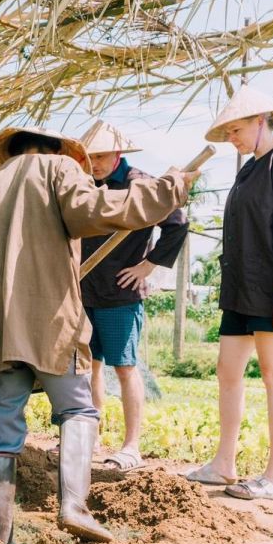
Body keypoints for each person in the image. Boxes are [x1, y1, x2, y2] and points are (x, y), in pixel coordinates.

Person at [0, 126, 199, 544]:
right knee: (77, 409)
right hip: (47, 319)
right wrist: (169, 188)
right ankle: (73, 505)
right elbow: (95, 209)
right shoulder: (57, 169)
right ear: (55, 152)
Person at [186, 85, 273, 500]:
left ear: (260, 121)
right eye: (227, 132)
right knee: (227, 371)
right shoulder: (247, 170)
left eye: (237, 129)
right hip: (241, 288)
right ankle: (224, 463)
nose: (232, 138)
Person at [78, 121, 190, 471]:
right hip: (84, 289)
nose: (93, 163)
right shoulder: (85, 186)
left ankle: (131, 446)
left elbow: (177, 223)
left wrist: (149, 265)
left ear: (117, 154)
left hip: (121, 292)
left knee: (124, 367)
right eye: (88, 157)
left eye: (99, 156)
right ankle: (89, 438)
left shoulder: (139, 184)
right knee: (88, 367)